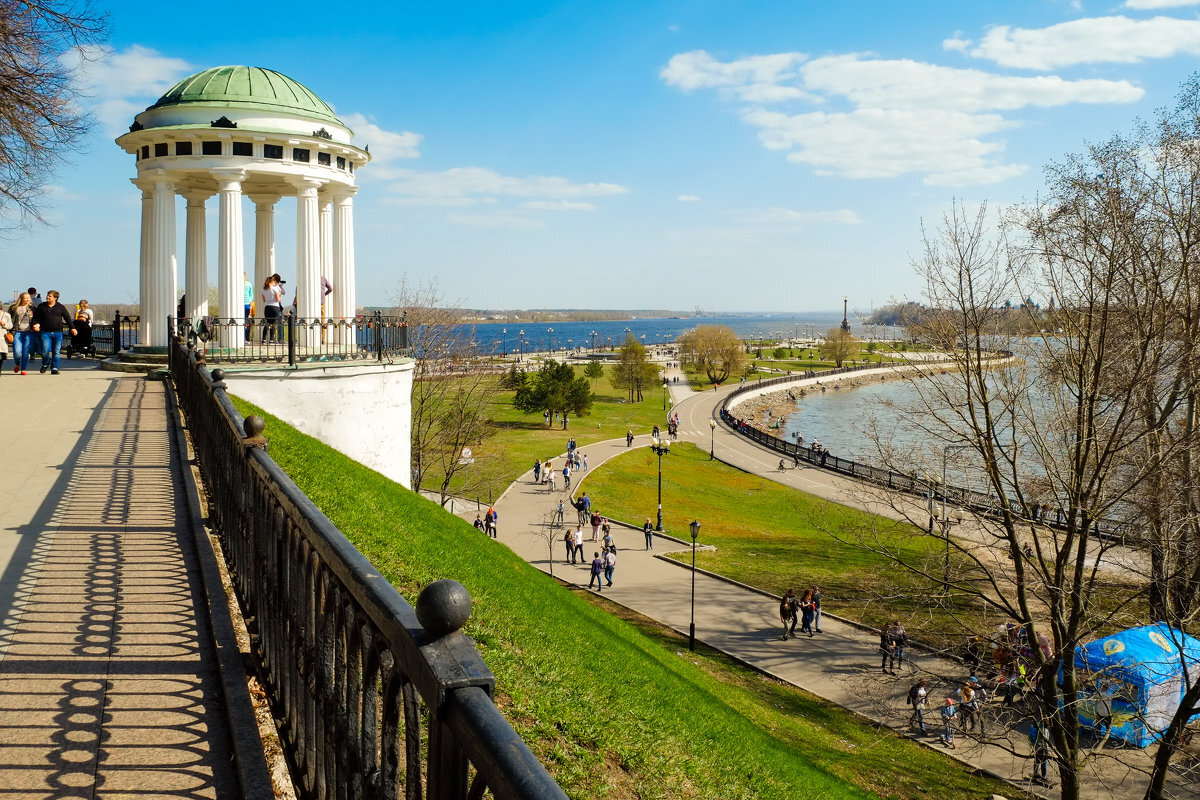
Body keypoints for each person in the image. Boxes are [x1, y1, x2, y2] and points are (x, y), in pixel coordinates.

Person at [32, 290, 76, 375]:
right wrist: (35, 324)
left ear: (55, 298)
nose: (47, 297)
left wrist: (72, 328)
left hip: (58, 333)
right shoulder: (42, 306)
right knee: (45, 350)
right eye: (47, 295)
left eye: (50, 296)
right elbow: (35, 317)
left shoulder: (60, 307)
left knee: (56, 351)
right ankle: (45, 363)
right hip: (46, 332)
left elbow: (68, 318)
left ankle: (54, 367)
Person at [9, 292, 34, 374]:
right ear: (21, 299)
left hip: (29, 332)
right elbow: (9, 318)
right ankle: (17, 363)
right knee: (17, 351)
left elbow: (36, 319)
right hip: (17, 331)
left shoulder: (32, 308)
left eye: (28, 298)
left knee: (25, 351)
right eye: (25, 298)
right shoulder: (14, 308)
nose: (27, 299)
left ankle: (23, 369)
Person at [1029, 714, 1052, 786]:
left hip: (1036, 746)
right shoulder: (1044, 730)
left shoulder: (1037, 725)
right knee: (1044, 761)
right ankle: (1044, 776)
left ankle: (1035, 773)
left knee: (1037, 760)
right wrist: (1048, 751)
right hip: (1042, 747)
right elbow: (1045, 741)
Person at [261, 274, 285, 342]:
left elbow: (264, 300)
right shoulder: (274, 289)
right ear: (272, 281)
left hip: (267, 306)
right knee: (273, 323)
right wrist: (279, 295)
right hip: (275, 306)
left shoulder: (264, 289)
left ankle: (264, 339)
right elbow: (278, 299)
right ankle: (271, 339)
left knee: (267, 323)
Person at [0, 303, 11, 374]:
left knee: (1, 355)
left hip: (2, 337)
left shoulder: (6, 315)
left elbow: (10, 326)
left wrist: (4, 324)